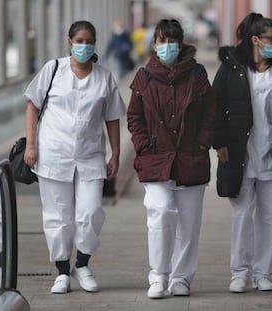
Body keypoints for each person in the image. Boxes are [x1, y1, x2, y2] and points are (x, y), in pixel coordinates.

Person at [23, 20, 126, 294]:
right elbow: (32, 107)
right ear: (69, 42)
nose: (83, 45)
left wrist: (116, 152)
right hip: (53, 154)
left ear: (94, 43)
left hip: (91, 156)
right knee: (58, 215)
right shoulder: (53, 70)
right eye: (78, 41)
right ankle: (61, 271)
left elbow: (113, 118)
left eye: (87, 41)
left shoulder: (104, 77)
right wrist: (31, 146)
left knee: (91, 211)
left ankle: (82, 264)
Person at [212, 12, 272, 293]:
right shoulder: (233, 68)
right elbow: (215, 107)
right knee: (242, 214)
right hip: (241, 155)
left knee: (268, 217)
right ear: (256, 40)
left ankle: (263, 272)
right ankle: (239, 272)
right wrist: (220, 143)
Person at [127, 18, 216, 299]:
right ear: (154, 44)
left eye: (172, 41)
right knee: (160, 213)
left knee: (189, 225)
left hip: (190, 157)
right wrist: (143, 145)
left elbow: (209, 113)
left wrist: (202, 143)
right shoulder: (144, 77)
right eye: (162, 41)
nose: (167, 46)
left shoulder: (197, 74)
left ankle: (181, 278)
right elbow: (134, 116)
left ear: (181, 44)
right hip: (155, 158)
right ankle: (158, 275)